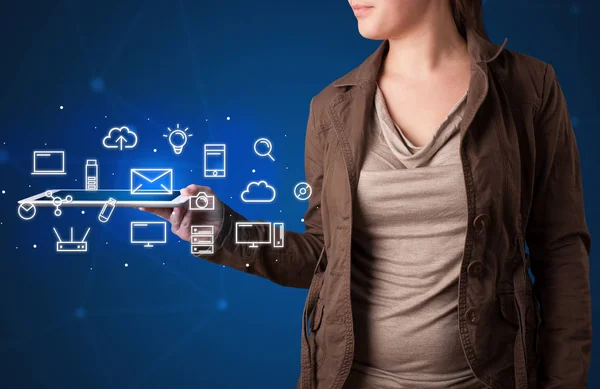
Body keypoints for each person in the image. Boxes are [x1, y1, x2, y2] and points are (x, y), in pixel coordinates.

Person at [141, 0, 592, 388]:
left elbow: (561, 254)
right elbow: (324, 257)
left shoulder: (528, 89)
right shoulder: (330, 108)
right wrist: (222, 232)